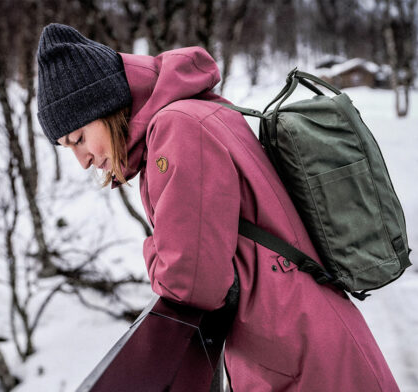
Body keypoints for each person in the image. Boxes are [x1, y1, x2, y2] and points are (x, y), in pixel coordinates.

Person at [36, 23, 399, 391]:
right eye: (68, 148)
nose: (81, 160)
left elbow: (190, 282)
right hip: (295, 340)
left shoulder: (176, 129)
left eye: (79, 139)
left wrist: (152, 248)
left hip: (303, 356)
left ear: (108, 106)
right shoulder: (191, 113)